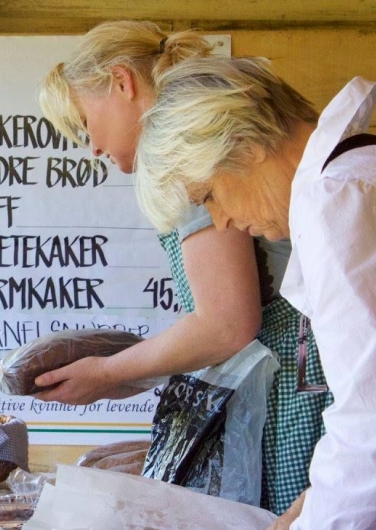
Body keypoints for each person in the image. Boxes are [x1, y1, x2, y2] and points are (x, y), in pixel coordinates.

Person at [35, 21, 330, 515]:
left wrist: (108, 373)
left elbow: (226, 324)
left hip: (298, 386)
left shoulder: (189, 153)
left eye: (87, 124)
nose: (94, 149)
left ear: (122, 82)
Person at [134, 55, 376, 529]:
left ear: (243, 146)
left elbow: (370, 418)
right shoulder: (358, 168)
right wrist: (318, 497)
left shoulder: (333, 200)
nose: (221, 221)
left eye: (208, 196)